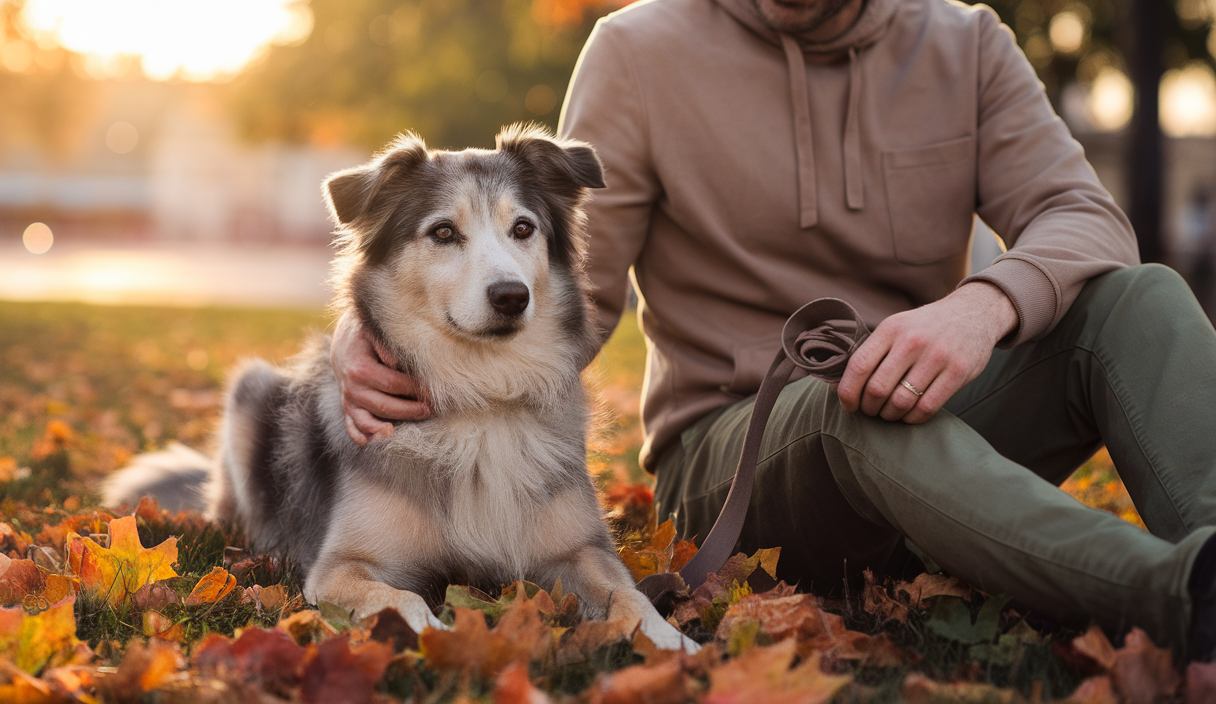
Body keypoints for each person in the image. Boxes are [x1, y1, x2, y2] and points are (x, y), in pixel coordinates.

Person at [331, 0, 1216, 658]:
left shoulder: (969, 43)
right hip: (736, 461)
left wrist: (982, 305)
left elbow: (1085, 219)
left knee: (1138, 297)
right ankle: (1185, 598)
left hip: (933, 407)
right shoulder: (638, 52)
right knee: (844, 404)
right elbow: (566, 294)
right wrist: (369, 342)